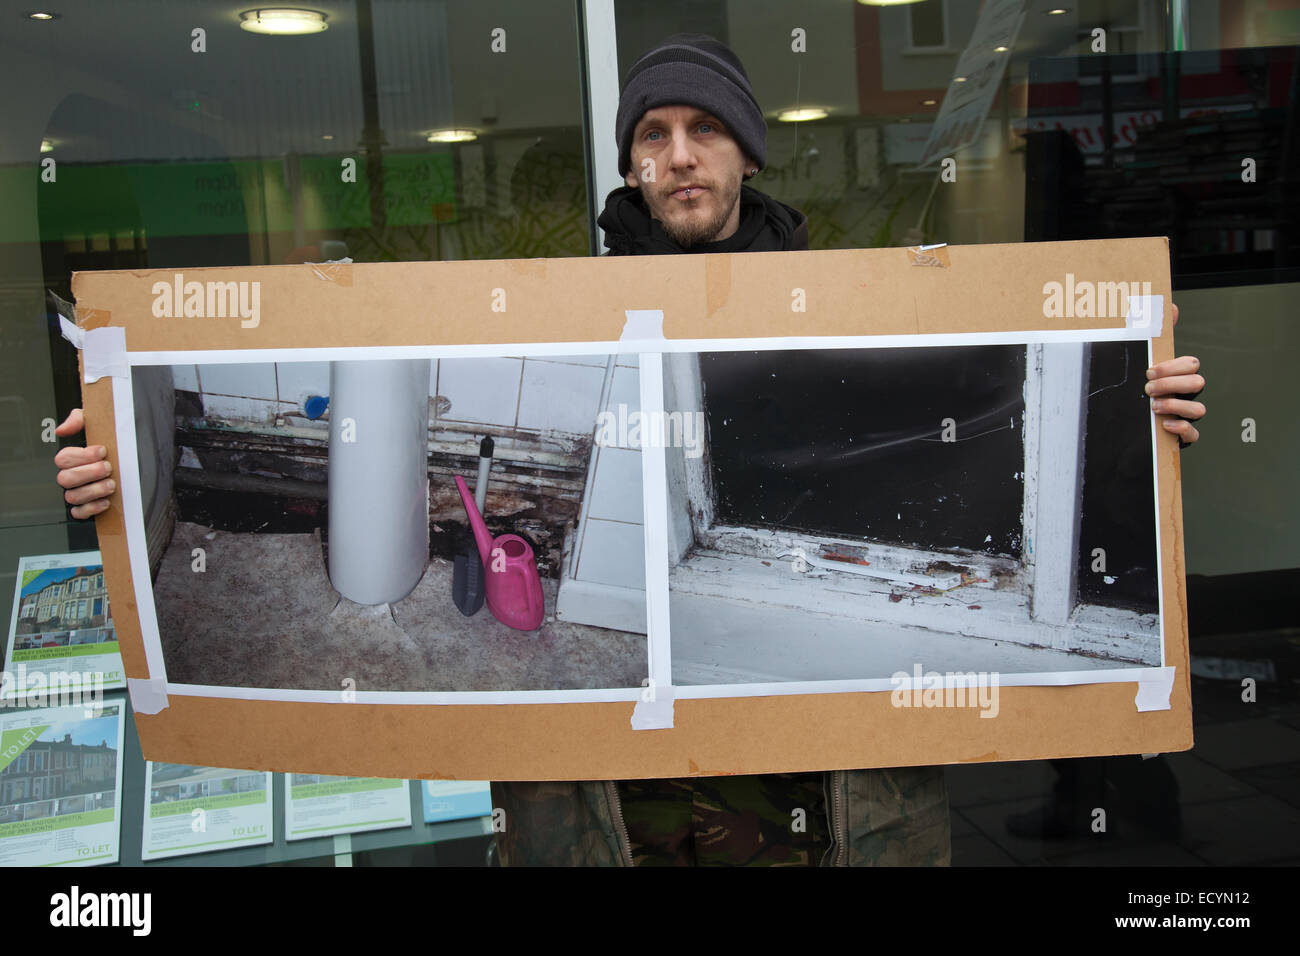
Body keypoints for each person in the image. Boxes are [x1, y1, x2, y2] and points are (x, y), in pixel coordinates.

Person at [53, 34, 1207, 866]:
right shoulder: (558, 300)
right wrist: (113, 463)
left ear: (749, 150)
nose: (679, 153)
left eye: (705, 129)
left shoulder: (849, 299)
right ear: (631, 163)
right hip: (611, 807)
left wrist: (1136, 403)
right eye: (652, 135)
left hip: (820, 789)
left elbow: (999, 405)